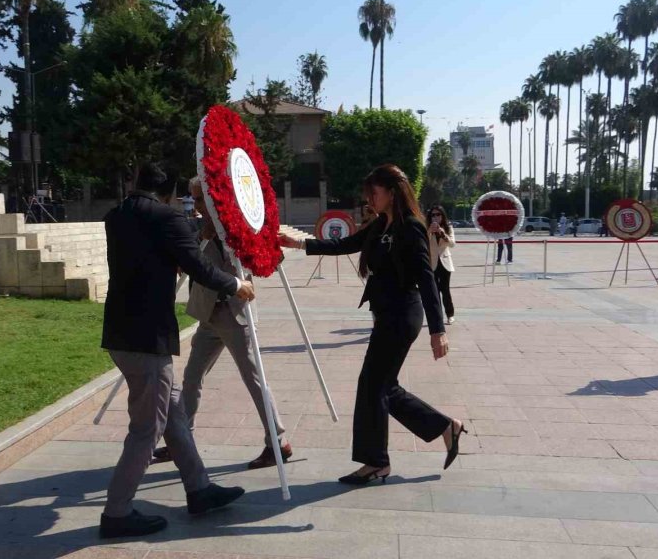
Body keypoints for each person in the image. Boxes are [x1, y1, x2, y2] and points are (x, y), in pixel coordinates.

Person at [278, 164, 465, 485]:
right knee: (382, 388)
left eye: (374, 193)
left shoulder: (411, 228)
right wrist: (298, 245)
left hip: (403, 315)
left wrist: (438, 330)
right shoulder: (380, 225)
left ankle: (378, 461)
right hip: (385, 316)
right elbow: (343, 245)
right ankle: (444, 428)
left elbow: (426, 278)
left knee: (373, 387)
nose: (370, 200)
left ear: (392, 193)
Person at [100, 161, 253, 538]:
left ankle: (199, 489)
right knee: (147, 429)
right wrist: (236, 285)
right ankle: (117, 513)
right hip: (146, 337)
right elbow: (199, 267)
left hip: (121, 330)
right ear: (168, 193)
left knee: (174, 414)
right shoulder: (166, 218)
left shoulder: (116, 216)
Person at [152, 177, 292, 470]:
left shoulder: (236, 227)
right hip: (208, 315)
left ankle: (277, 441)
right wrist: (200, 237)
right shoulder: (198, 228)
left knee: (254, 378)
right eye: (193, 199)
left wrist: (224, 238)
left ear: (215, 199)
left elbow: (254, 260)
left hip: (234, 314)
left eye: (201, 199)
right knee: (192, 377)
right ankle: (181, 440)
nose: (196, 206)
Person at [427, 205, 456, 325]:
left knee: (445, 290)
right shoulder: (427, 228)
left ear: (442, 216)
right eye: (433, 215)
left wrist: (442, 233)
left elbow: (452, 244)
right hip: (432, 263)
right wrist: (430, 231)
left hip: (445, 262)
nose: (435, 217)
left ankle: (450, 314)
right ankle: (437, 316)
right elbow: (423, 242)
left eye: (438, 214)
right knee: (434, 291)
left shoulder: (448, 227)